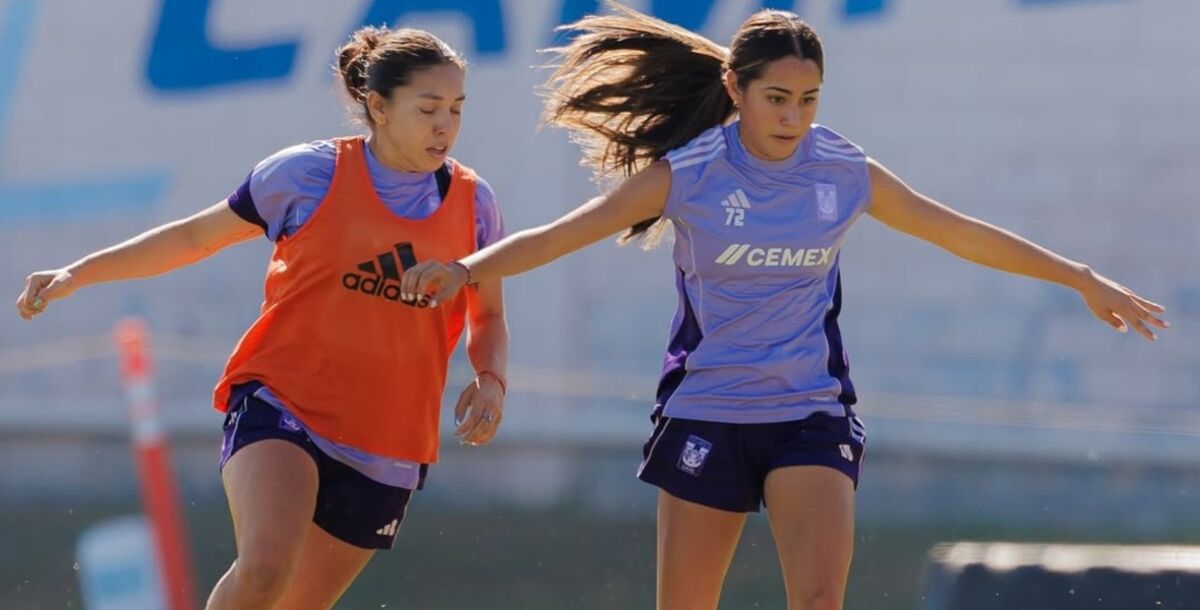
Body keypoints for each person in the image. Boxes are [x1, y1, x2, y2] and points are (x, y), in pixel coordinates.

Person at [399, 4, 1168, 610]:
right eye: (776, 98)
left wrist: (1079, 277)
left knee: (822, 597)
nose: (793, 117)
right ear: (735, 90)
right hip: (708, 411)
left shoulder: (842, 170)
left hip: (809, 411)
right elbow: (562, 236)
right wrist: (466, 268)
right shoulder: (690, 173)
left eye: (807, 99)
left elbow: (958, 232)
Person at [15, 26, 509, 610]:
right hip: (284, 404)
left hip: (389, 439)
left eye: (456, 109)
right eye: (428, 108)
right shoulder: (307, 174)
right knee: (264, 572)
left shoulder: (474, 204)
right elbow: (195, 236)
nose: (445, 125)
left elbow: (490, 314)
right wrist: (79, 272)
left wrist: (491, 377)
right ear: (377, 106)